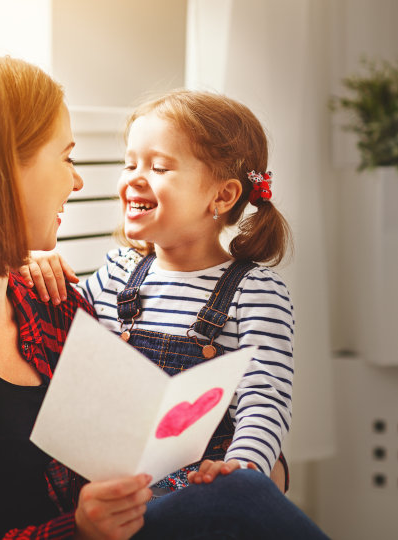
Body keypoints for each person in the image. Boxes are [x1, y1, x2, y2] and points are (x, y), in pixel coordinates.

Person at [0, 56, 329, 539]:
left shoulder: (50, 305)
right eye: (67, 157)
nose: (77, 180)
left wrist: (250, 468)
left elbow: (151, 435)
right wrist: (77, 531)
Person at [21, 90, 294, 494]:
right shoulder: (117, 272)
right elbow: (65, 334)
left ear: (222, 196)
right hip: (109, 483)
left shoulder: (255, 292)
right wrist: (29, 259)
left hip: (200, 485)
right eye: (129, 163)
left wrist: (244, 467)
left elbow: (264, 397)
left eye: (159, 167)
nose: (133, 177)